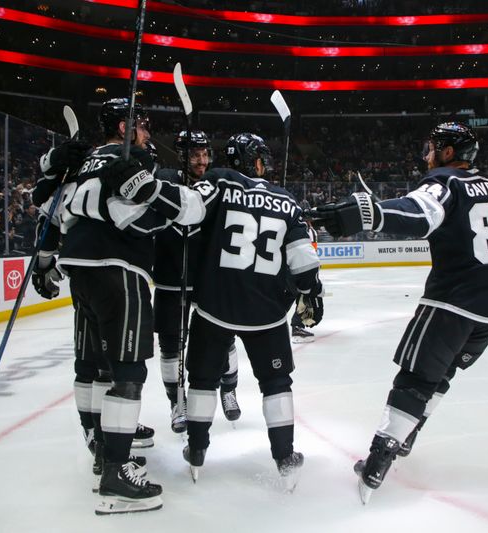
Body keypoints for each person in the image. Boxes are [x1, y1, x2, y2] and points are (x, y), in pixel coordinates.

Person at [312, 122, 488, 504]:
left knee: (417, 378)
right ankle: (406, 434)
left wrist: (370, 214)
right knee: (445, 371)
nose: (427, 154)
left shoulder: (446, 182)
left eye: (432, 148)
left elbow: (419, 214)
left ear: (446, 152)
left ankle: (378, 461)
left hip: (457, 299)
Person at [51, 98, 201, 514]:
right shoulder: (132, 158)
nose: (148, 132)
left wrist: (48, 255)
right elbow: (134, 215)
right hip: (117, 265)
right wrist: (171, 203)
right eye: (142, 124)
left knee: (98, 365)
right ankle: (116, 473)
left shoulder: (83, 161)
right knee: (128, 369)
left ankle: (101, 446)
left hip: (79, 266)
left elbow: (55, 205)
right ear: (123, 126)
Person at [178, 133, 323, 490]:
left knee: (201, 379)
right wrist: (309, 291)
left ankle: (196, 449)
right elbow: (304, 267)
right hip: (267, 313)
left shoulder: (218, 182)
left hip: (215, 305)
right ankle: (285, 457)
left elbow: (186, 212)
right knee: (276, 382)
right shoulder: (286, 201)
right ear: (257, 161)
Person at [152, 130, 241, 433]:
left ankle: (228, 388)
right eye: (195, 154)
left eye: (205, 154)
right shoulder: (163, 181)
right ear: (181, 156)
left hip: (208, 278)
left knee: (224, 339)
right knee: (170, 346)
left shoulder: (217, 183)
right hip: (169, 278)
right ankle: (178, 402)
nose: (202, 160)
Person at [290, 217, 321, 343]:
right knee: (306, 295)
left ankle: (297, 325)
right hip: (302, 268)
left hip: (292, 268)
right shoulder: (309, 230)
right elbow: (310, 252)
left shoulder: (295, 227)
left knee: (301, 296)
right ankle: (297, 327)